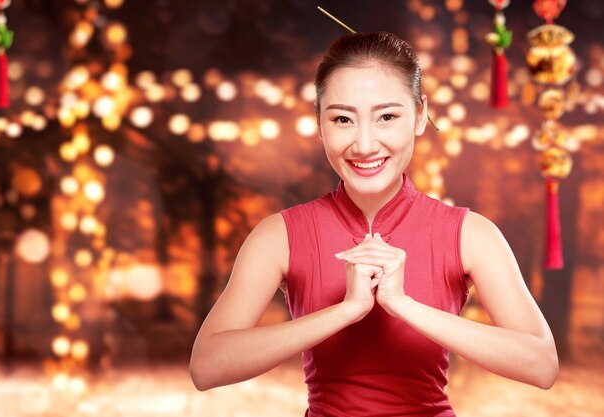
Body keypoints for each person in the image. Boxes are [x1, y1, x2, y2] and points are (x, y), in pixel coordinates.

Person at [190, 32, 559, 416]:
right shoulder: (279, 234)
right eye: (343, 119)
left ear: (420, 115)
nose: (364, 144)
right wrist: (346, 310)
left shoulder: (470, 234)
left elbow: (541, 364)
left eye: (387, 116)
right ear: (319, 123)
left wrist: (401, 303)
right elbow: (207, 366)